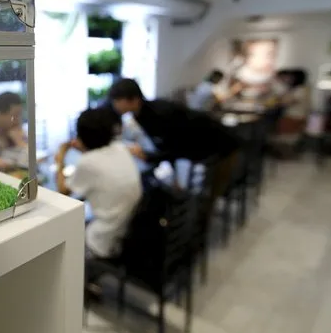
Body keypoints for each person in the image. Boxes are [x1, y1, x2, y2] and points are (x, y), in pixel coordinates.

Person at [108, 78, 241, 202]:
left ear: (134, 100)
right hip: (202, 147)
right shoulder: (141, 114)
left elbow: (174, 147)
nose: (114, 104)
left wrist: (149, 157)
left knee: (208, 199)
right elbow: (168, 146)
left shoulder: (160, 114)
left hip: (219, 145)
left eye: (117, 100)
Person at [55, 107, 142, 265]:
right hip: (128, 228)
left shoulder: (88, 162)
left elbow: (62, 191)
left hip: (103, 239)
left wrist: (60, 157)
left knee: (59, 236)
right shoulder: (120, 148)